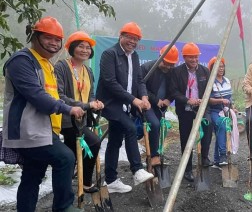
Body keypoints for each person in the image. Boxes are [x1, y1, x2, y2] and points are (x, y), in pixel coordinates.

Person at [2, 17, 85, 212]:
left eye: (58, 40)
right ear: (34, 36)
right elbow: (37, 96)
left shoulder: (47, 64)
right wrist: (68, 109)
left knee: (32, 175)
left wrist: (76, 106)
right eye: (48, 38)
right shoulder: (22, 61)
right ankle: (63, 207)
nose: (54, 43)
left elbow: (54, 95)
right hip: (28, 130)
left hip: (45, 129)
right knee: (65, 158)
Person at [96, 22, 154, 193]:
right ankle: (136, 170)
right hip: (110, 103)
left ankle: (111, 180)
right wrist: (134, 100)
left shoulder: (134, 56)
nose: (132, 41)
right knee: (129, 128)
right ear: (121, 36)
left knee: (114, 141)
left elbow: (139, 80)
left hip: (126, 104)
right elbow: (109, 82)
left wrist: (143, 96)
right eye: (129, 37)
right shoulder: (110, 54)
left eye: (135, 39)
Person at [54, 31, 105, 193]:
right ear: (72, 48)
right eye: (81, 46)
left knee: (71, 152)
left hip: (81, 119)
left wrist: (95, 103)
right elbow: (59, 95)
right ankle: (83, 183)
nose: (85, 50)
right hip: (66, 118)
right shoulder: (61, 67)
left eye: (88, 47)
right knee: (94, 142)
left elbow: (90, 94)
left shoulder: (87, 71)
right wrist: (85, 105)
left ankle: (70, 185)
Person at [169, 42, 213, 182]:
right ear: (184, 57)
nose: (194, 60)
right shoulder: (177, 72)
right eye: (190, 57)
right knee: (186, 138)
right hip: (185, 109)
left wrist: (202, 100)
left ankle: (204, 157)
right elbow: (173, 91)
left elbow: (209, 89)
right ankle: (187, 169)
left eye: (196, 57)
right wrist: (187, 100)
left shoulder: (205, 71)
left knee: (208, 125)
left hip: (201, 107)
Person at [141, 44, 179, 166]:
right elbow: (141, 87)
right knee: (155, 124)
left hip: (161, 106)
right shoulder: (147, 68)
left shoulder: (173, 71)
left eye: (171, 64)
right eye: (166, 63)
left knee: (160, 129)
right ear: (160, 57)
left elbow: (176, 88)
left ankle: (154, 155)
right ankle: (153, 156)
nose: (168, 66)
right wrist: (155, 100)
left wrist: (169, 99)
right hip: (147, 104)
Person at [207, 57, 233, 168]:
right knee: (222, 125)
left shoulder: (227, 81)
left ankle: (217, 160)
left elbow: (230, 98)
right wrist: (221, 100)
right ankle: (223, 154)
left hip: (226, 111)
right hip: (214, 111)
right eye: (218, 67)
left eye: (222, 66)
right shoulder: (210, 82)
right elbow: (209, 100)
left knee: (221, 132)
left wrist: (233, 107)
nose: (221, 69)